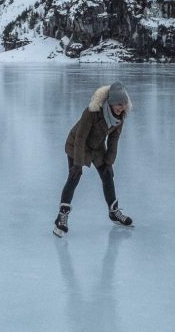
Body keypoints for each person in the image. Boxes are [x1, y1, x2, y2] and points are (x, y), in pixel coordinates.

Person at [54, 82, 133, 236]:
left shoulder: (120, 117)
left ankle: (113, 211)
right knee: (74, 176)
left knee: (107, 174)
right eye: (119, 104)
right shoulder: (92, 111)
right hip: (76, 144)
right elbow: (80, 137)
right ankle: (61, 216)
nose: (121, 107)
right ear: (110, 102)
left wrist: (109, 162)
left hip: (96, 147)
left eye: (124, 104)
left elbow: (113, 140)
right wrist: (77, 164)